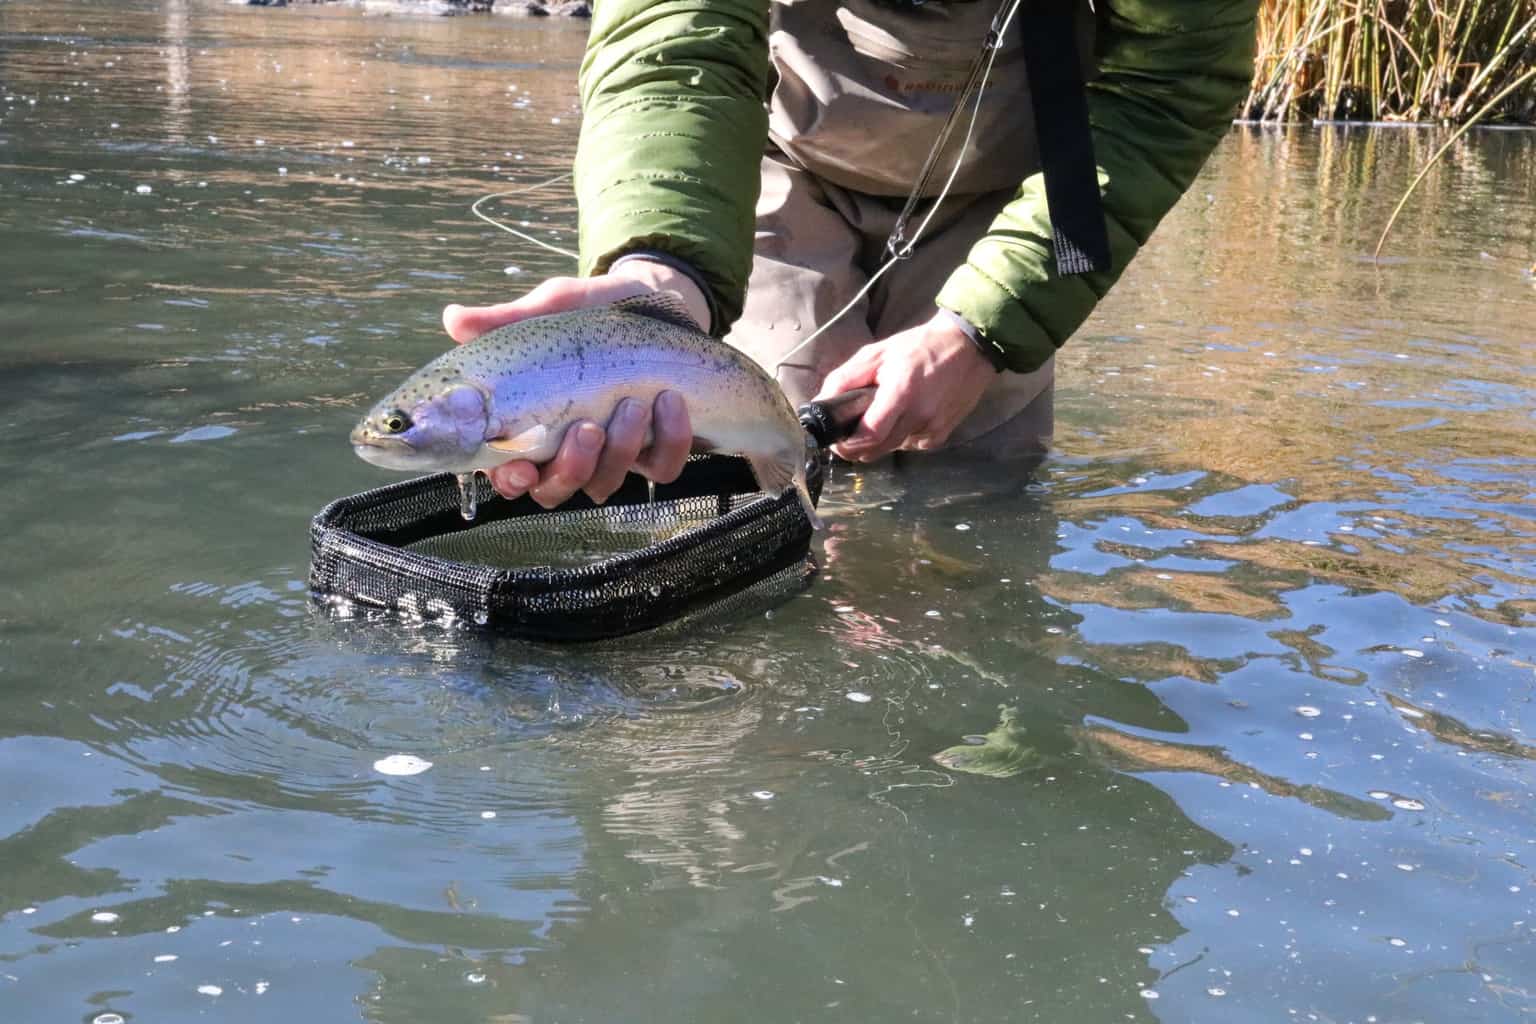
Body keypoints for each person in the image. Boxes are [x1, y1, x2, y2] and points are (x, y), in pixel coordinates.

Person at [442, 0, 1259, 509]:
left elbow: (1168, 87)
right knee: (761, 460)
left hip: (1018, 182)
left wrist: (986, 330)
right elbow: (673, 42)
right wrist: (663, 270)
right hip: (776, 166)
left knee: (974, 491)